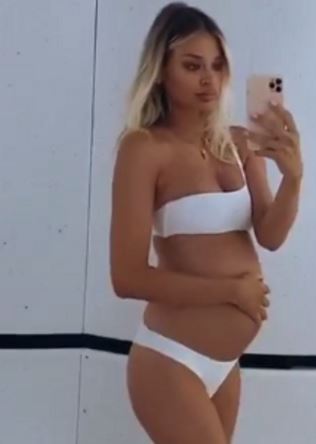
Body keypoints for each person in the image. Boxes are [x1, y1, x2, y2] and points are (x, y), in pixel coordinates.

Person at [108, 3, 303, 443]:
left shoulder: (239, 142)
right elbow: (127, 277)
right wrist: (231, 292)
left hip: (224, 365)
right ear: (161, 70)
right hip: (170, 360)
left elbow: (270, 235)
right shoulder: (143, 149)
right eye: (192, 66)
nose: (209, 80)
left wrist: (293, 178)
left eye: (217, 66)